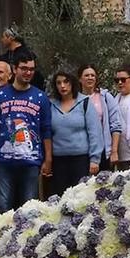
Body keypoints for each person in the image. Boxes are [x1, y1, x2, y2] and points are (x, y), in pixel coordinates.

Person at [0, 54, 50, 213]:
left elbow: (46, 129)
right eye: (24, 69)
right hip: (4, 162)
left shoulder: (41, 97)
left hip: (31, 162)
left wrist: (48, 159)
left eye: (31, 69)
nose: (28, 73)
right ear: (14, 69)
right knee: (2, 207)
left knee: (30, 209)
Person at [43, 69, 105, 198]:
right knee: (61, 198)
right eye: (59, 83)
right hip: (58, 161)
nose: (62, 86)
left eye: (66, 82)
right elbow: (46, 132)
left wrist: (95, 159)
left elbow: (95, 132)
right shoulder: (50, 104)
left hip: (81, 160)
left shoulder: (85, 102)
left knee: (80, 198)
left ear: (73, 83)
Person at [78, 64, 124, 161]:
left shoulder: (105, 97)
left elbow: (115, 125)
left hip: (102, 150)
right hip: (81, 150)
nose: (90, 78)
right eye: (86, 75)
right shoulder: (74, 99)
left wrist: (114, 151)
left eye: (92, 75)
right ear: (80, 79)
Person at [109, 66, 130, 170]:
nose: (120, 83)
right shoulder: (114, 99)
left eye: (123, 80)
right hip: (119, 153)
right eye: (117, 80)